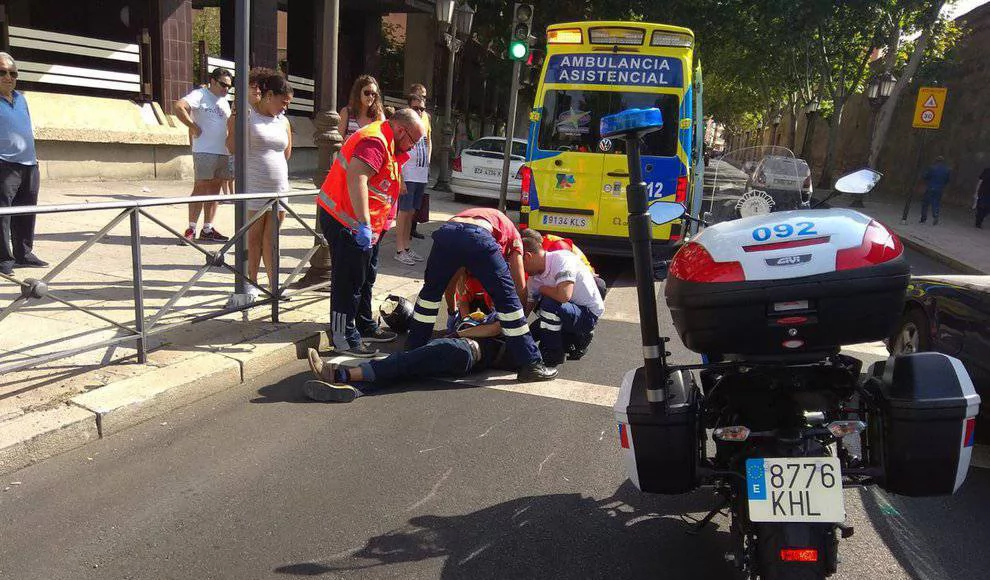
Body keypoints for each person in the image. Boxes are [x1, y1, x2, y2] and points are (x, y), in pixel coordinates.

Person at [405, 207, 558, 382]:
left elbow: (450, 283)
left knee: (429, 297)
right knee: (508, 303)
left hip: (446, 231)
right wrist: (518, 319)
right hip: (478, 236)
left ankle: (413, 351)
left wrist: (451, 311)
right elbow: (519, 285)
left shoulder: (477, 215)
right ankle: (531, 365)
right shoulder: (514, 236)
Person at [318, 108, 425, 356]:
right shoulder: (376, 141)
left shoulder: (390, 143)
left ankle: (364, 323)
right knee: (348, 280)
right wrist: (364, 224)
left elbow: (385, 189)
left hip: (366, 227)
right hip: (347, 221)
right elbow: (357, 178)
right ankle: (343, 336)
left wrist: (381, 225)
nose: (412, 147)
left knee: (365, 277)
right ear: (401, 130)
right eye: (413, 141)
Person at [302, 315, 517, 403]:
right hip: (462, 355)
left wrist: (459, 334)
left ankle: (338, 374)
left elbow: (494, 328)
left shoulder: (507, 317)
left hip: (463, 349)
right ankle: (354, 389)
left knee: (403, 362)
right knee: (405, 369)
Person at [225, 70, 293, 299]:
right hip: (255, 185)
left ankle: (274, 285)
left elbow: (287, 152)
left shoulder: (282, 120)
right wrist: (236, 115)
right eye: (282, 102)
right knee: (253, 237)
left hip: (279, 187)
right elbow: (232, 146)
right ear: (269, 95)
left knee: (272, 238)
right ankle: (251, 283)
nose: (285, 107)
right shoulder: (247, 115)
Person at [521, 229, 604, 366]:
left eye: (521, 265)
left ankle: (554, 354)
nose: (522, 270)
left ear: (528, 257)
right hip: (566, 311)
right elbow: (527, 308)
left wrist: (542, 289)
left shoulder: (562, 259)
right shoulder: (534, 277)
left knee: (548, 303)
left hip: (587, 314)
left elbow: (564, 296)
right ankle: (566, 340)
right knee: (532, 331)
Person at [0, 52, 47, 276]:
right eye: (2, 72)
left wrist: (34, 157)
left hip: (29, 164)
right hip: (4, 164)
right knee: (3, 213)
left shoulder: (21, 99)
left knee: (27, 211)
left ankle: (24, 253)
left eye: (12, 73)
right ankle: (3, 259)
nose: (8, 77)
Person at [173, 67, 233, 242]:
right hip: (205, 150)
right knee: (200, 188)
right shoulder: (200, 94)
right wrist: (193, 126)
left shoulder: (223, 101)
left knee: (215, 190)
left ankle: (208, 228)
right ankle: (191, 228)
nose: (226, 89)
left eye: (229, 86)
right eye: (223, 84)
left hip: (223, 151)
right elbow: (179, 106)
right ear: (213, 81)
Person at [394, 93, 431, 266]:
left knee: (411, 213)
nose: (420, 111)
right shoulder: (405, 127)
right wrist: (400, 177)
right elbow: (397, 153)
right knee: (403, 212)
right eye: (416, 108)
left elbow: (427, 145)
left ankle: (407, 247)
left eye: (422, 108)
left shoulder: (422, 126)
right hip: (408, 174)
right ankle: (400, 249)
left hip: (420, 174)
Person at [408, 83, 432, 240]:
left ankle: (413, 228)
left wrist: (428, 160)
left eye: (424, 96)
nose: (423, 98)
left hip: (422, 165)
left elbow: (429, 139)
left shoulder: (426, 117)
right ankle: (405, 231)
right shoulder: (406, 116)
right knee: (406, 203)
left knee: (418, 200)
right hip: (409, 166)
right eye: (420, 95)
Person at [339, 75, 386, 144]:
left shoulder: (378, 116)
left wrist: (355, 138)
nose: (370, 97)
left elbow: (383, 142)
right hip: (350, 153)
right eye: (367, 93)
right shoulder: (346, 112)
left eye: (373, 94)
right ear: (358, 93)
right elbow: (338, 141)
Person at [919, 156, 951, 226]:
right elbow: (947, 180)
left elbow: (926, 176)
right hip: (940, 189)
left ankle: (923, 218)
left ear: (936, 161)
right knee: (936, 202)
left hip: (930, 187)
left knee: (925, 203)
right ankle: (935, 214)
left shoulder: (932, 168)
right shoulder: (947, 170)